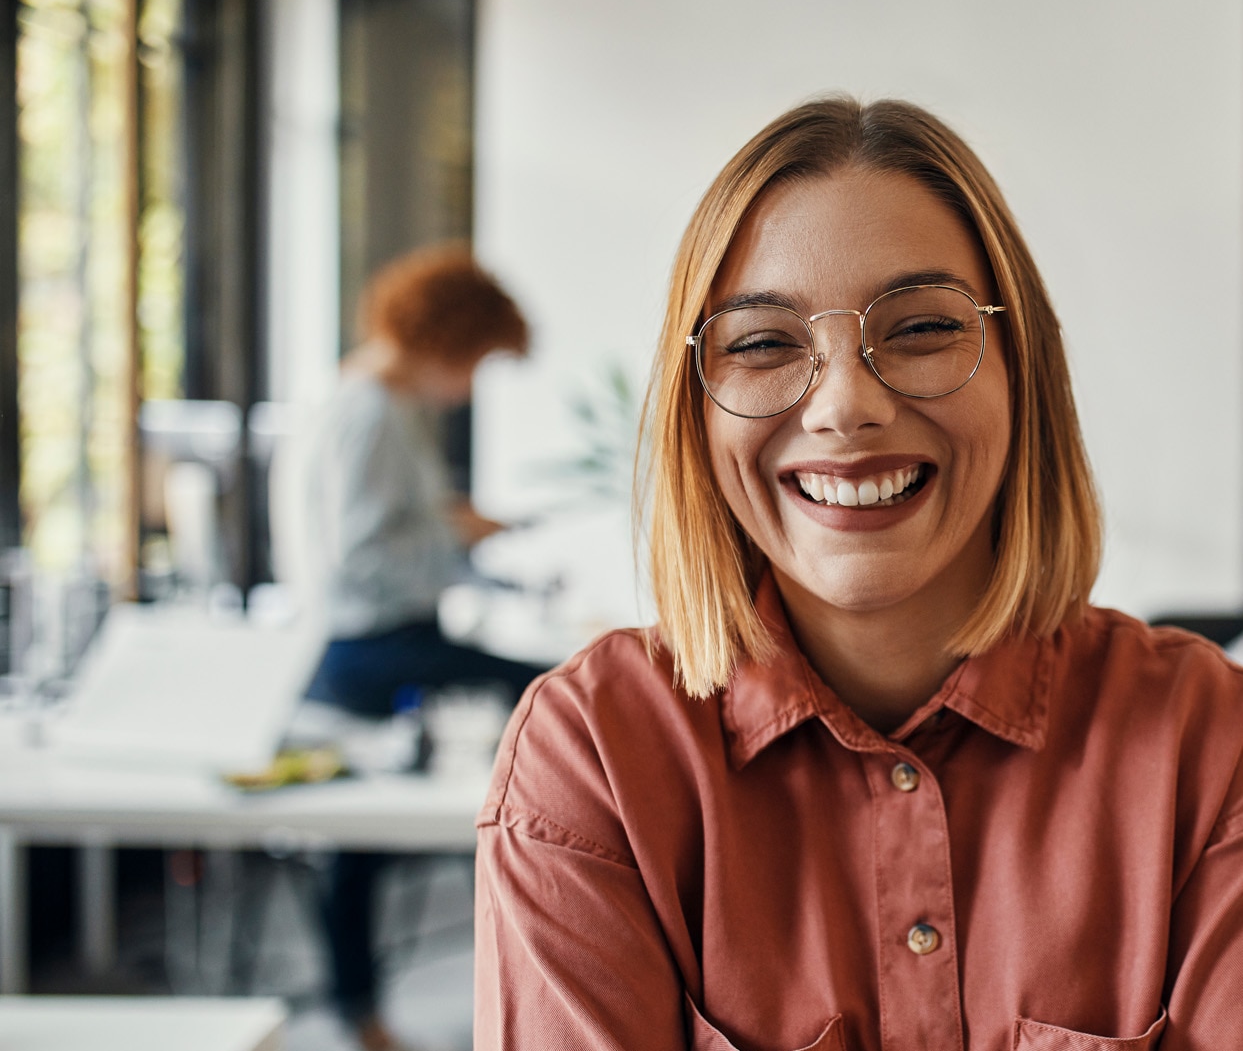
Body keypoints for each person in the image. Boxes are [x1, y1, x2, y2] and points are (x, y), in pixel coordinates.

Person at [473, 98, 1243, 1050]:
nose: (845, 405)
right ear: (695, 411)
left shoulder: (1209, 742)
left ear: (1022, 368)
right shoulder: (593, 757)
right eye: (762, 343)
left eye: (921, 329)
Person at [300, 243, 543, 1051]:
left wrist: (454, 530)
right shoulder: (367, 411)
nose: (469, 384)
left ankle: (360, 1003)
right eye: (474, 361)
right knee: (554, 693)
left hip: (393, 634)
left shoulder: (381, 404)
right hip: (368, 646)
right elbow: (360, 556)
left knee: (364, 844)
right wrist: (455, 530)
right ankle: (363, 1005)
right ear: (446, 339)